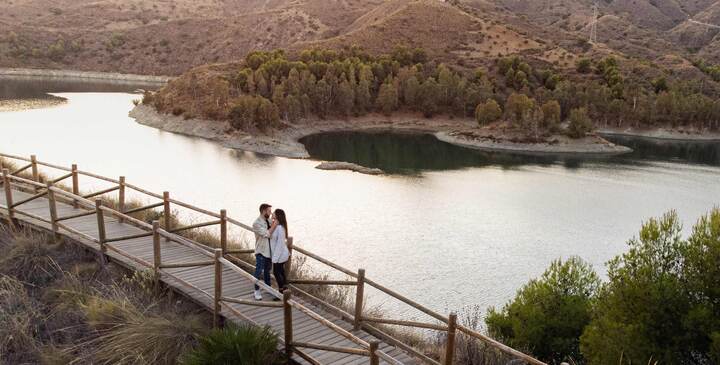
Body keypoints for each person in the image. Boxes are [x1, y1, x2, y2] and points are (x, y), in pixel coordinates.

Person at [252, 203, 277, 300]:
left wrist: (275, 222)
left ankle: (268, 288)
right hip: (261, 251)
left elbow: (274, 231)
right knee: (258, 271)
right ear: (263, 211)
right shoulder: (256, 223)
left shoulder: (269, 221)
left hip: (269, 251)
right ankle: (256, 291)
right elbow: (267, 233)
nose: (271, 213)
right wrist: (275, 224)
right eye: (269, 211)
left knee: (267, 271)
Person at [270, 209, 290, 296]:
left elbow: (280, 245)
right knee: (281, 271)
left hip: (281, 255)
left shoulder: (280, 228)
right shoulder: (276, 225)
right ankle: (285, 290)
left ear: (277, 215)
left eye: (274, 212)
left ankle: (281, 293)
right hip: (280, 254)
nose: (272, 213)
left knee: (276, 272)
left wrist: (275, 259)